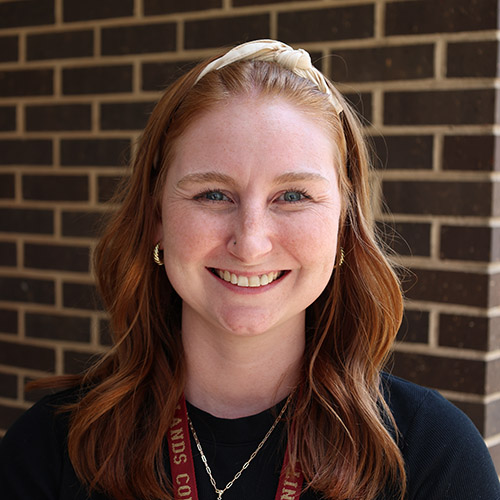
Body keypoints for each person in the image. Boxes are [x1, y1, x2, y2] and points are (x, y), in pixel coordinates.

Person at [0, 39, 498, 500]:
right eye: (213, 194)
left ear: (344, 225)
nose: (251, 242)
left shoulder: (434, 456)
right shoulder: (52, 448)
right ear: (156, 218)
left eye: (294, 196)